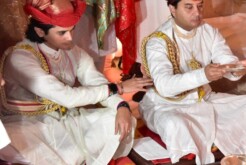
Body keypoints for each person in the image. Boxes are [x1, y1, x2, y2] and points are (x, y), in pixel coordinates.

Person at [0, 0, 150, 164]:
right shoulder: (21, 57)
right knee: (12, 143)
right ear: (40, 31)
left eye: (72, 30)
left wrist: (121, 106)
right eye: (62, 33)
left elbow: (96, 82)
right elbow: (67, 97)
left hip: (63, 120)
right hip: (27, 126)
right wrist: (118, 87)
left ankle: (77, 156)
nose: (70, 38)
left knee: (116, 118)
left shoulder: (73, 52)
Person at [139, 0, 246, 164]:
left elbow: (225, 58)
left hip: (205, 99)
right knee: (175, 125)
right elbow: (164, 86)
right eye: (189, 7)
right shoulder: (158, 41)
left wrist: (236, 68)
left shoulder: (208, 30)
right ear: (172, 9)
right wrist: (203, 75)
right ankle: (207, 147)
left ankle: (229, 148)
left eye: (200, 6)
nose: (197, 12)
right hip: (168, 105)